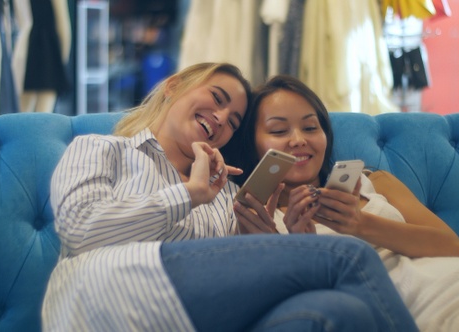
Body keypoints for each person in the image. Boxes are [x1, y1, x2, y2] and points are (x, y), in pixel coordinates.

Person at [41, 63, 418, 331]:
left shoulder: (228, 195)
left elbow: (230, 278)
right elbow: (80, 228)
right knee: (350, 254)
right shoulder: (101, 149)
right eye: (217, 99)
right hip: (104, 300)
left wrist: (274, 243)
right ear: (173, 86)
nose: (221, 117)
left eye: (234, 120)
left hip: (193, 316)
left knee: (341, 312)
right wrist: (187, 194)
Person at [224, 74, 459, 332]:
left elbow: (454, 248)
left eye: (311, 127)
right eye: (279, 131)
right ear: (253, 144)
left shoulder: (376, 182)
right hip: (405, 308)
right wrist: (300, 248)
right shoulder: (255, 221)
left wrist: (360, 224)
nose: (299, 140)